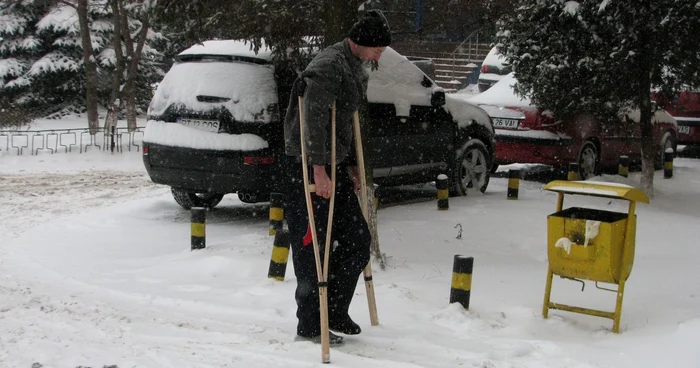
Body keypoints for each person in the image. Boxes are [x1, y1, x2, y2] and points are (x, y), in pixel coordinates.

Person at [282, 10, 391, 344]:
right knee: (314, 244)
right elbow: (312, 117)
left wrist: (351, 165)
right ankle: (311, 323)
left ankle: (335, 311)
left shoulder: (352, 64)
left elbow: (342, 121)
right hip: (308, 167)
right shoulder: (330, 65)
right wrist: (318, 168)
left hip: (334, 165)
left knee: (357, 240)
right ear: (363, 41)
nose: (380, 55)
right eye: (378, 48)